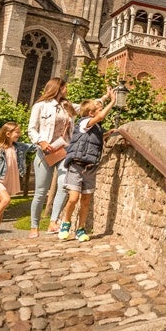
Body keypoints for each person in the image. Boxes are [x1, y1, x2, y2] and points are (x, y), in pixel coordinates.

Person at [56, 93, 113, 242]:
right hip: (77, 165)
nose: (101, 112)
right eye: (99, 110)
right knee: (74, 198)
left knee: (86, 199)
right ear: (91, 113)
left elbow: (92, 141)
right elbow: (99, 118)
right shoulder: (84, 122)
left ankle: (80, 229)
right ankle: (66, 223)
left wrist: (106, 135)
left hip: (91, 167)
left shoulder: (97, 128)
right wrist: (112, 101)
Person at [27, 77, 75, 238]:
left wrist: (105, 98)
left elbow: (84, 107)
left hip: (63, 150)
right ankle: (34, 226)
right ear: (58, 88)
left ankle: (53, 222)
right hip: (45, 151)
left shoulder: (66, 107)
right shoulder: (40, 106)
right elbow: (32, 129)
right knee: (41, 191)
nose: (67, 89)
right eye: (65, 87)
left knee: (63, 185)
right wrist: (41, 142)